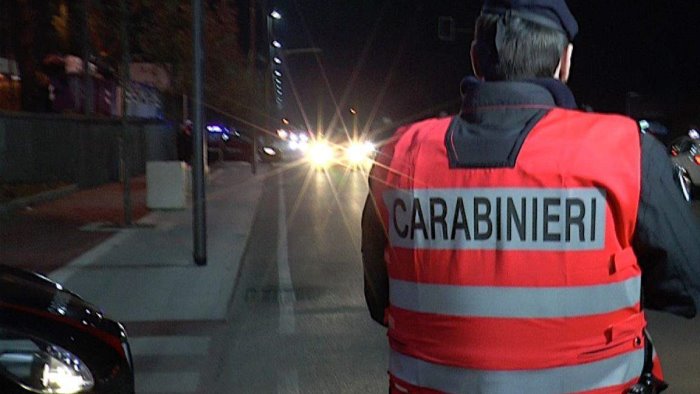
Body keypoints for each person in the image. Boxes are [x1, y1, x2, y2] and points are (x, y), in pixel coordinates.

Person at [361, 0, 700, 392]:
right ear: (565, 61)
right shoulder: (625, 151)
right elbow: (686, 288)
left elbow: (379, 301)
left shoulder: (401, 156)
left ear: (476, 60)